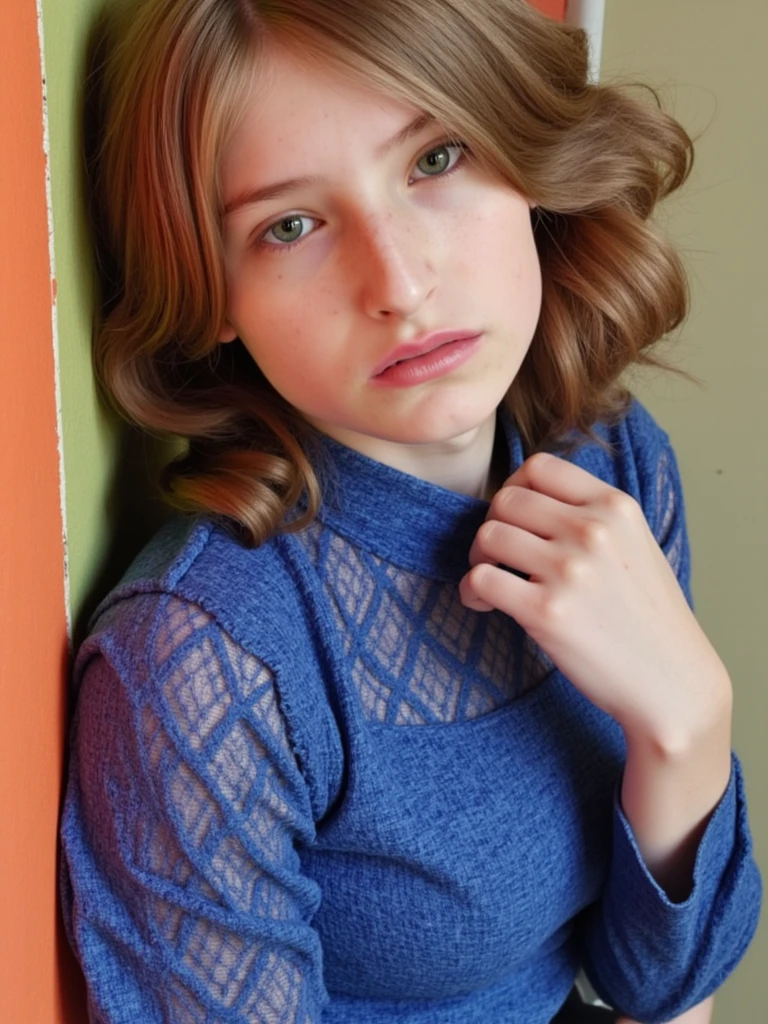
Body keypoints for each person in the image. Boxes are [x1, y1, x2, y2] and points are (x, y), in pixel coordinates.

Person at [59, 1, 762, 1022]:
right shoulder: (205, 661)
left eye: (436, 159)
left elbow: (658, 989)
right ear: (211, 291)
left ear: (520, 149)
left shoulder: (608, 457)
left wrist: (689, 727)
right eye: (290, 225)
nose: (398, 281)